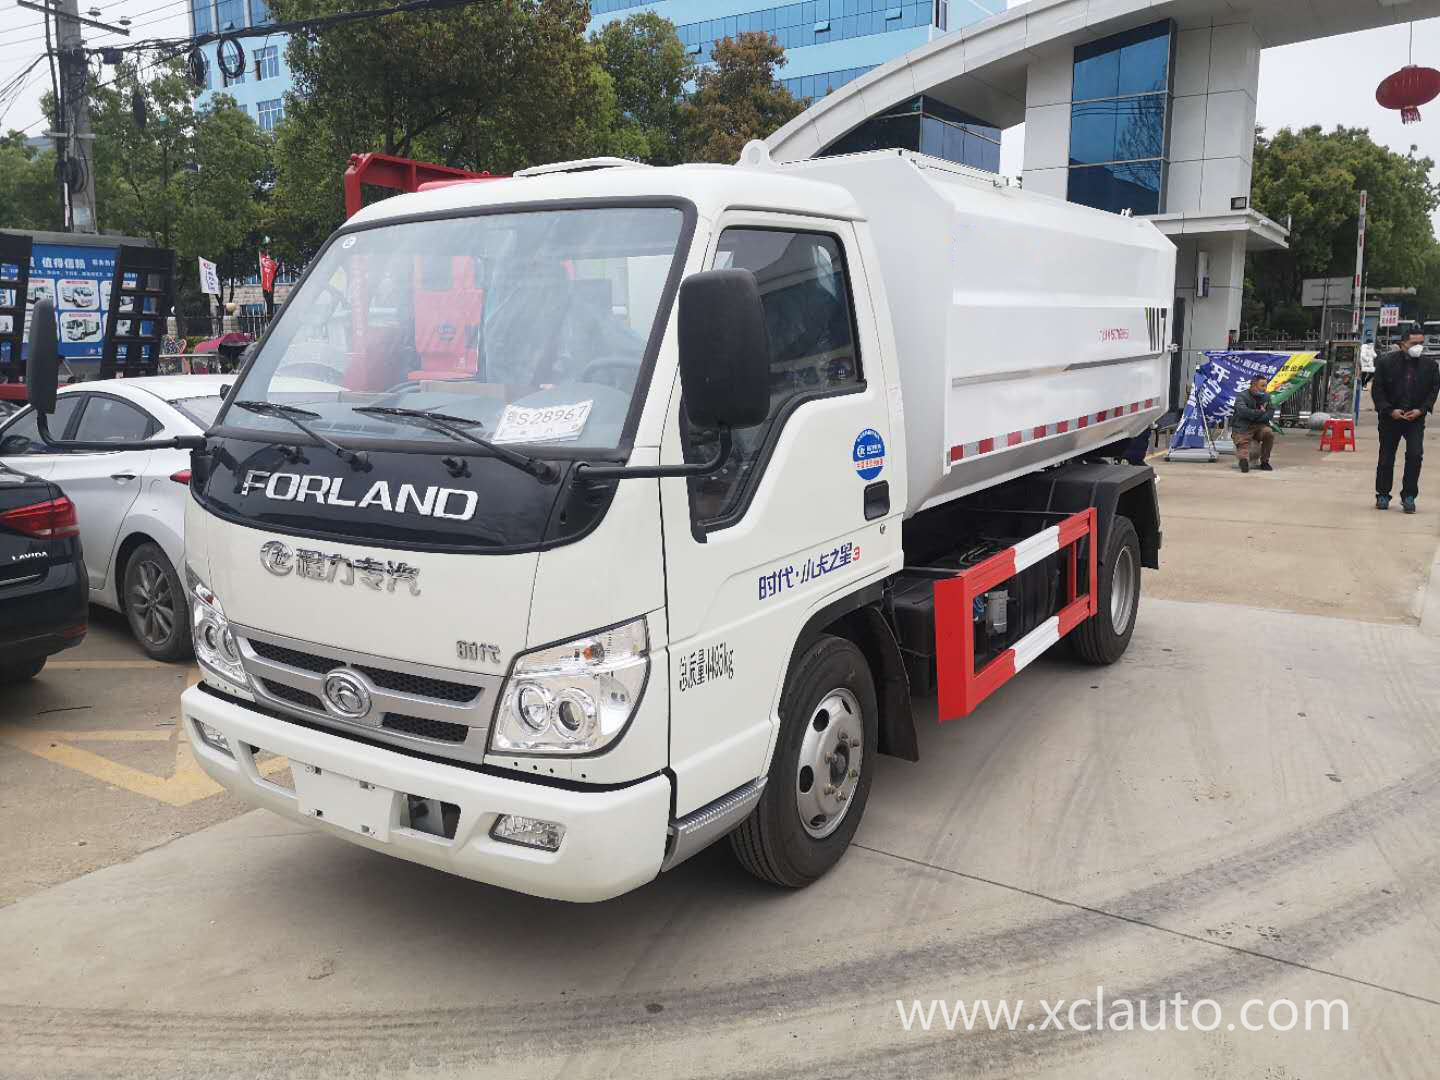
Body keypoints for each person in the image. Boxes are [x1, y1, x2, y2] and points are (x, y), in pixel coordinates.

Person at [1372, 328, 1440, 513]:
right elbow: (1378, 390)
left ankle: (1409, 496)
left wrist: (1421, 410)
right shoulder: (1386, 363)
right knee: (1386, 457)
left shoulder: (1430, 366)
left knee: (1415, 455)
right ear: (1402, 344)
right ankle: (1383, 495)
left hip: (1415, 419)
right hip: (1390, 418)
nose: (1418, 347)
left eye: (1421, 343)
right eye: (1414, 343)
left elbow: (1433, 391)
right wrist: (1389, 409)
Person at [1231, 374, 1276, 473]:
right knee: (1243, 443)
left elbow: (1270, 413)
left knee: (1269, 433)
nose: (1265, 388)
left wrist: (1255, 417)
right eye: (1262, 386)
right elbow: (1242, 412)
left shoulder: (1267, 397)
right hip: (1242, 427)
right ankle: (1244, 462)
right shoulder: (1242, 396)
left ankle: (1265, 461)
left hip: (1259, 426)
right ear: (1254, 386)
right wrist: (1259, 412)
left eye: (1266, 385)